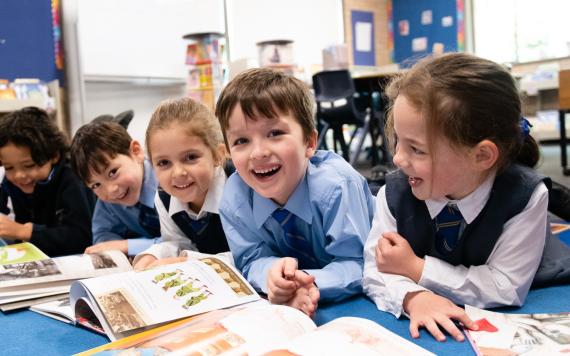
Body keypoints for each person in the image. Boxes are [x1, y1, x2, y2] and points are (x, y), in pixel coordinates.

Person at [362, 53, 554, 343]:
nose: (398, 158)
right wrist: (414, 297)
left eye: (417, 149)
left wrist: (417, 269)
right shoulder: (394, 193)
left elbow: (506, 285)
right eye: (398, 140)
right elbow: (375, 267)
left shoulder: (526, 197)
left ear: (481, 156)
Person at [215, 68, 375, 317]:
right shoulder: (235, 199)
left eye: (275, 133)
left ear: (310, 143)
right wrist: (273, 274)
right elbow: (249, 260)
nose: (258, 152)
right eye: (241, 141)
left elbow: (358, 263)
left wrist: (307, 282)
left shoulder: (337, 186)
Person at [132, 97, 230, 270]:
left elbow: (247, 255)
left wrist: (185, 261)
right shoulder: (164, 197)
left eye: (191, 157)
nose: (178, 173)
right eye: (164, 163)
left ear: (217, 155)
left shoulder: (237, 186)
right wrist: (152, 255)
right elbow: (178, 242)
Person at [0, 107, 94, 256]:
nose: (18, 175)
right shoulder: (12, 182)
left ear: (54, 155)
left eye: (29, 165)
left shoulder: (72, 178)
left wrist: (24, 231)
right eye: (9, 167)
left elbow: (82, 238)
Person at [70, 120, 160, 256]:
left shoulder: (168, 182)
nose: (110, 190)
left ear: (136, 152)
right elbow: (103, 234)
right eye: (96, 185)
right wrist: (116, 250)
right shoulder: (109, 201)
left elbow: (184, 241)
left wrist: (128, 246)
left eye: (113, 172)